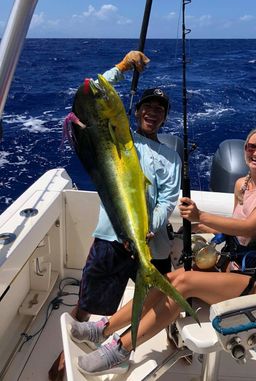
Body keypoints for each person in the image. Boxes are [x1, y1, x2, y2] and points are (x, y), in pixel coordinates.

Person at [69, 126, 256, 377]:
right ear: (244, 150)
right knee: (169, 279)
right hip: (237, 272)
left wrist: (202, 215)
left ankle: (120, 349)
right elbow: (238, 231)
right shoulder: (241, 185)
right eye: (251, 147)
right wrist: (197, 224)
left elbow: (250, 226)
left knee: (185, 283)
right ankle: (103, 329)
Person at [48, 51, 182, 381]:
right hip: (111, 236)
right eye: (148, 107)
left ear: (164, 120)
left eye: (159, 111)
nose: (153, 113)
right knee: (88, 301)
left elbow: (168, 199)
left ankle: (173, 340)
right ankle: (68, 354)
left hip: (152, 244)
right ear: (134, 112)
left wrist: (149, 227)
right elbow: (92, 92)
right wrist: (122, 68)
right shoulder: (118, 138)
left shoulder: (170, 156)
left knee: (161, 301)